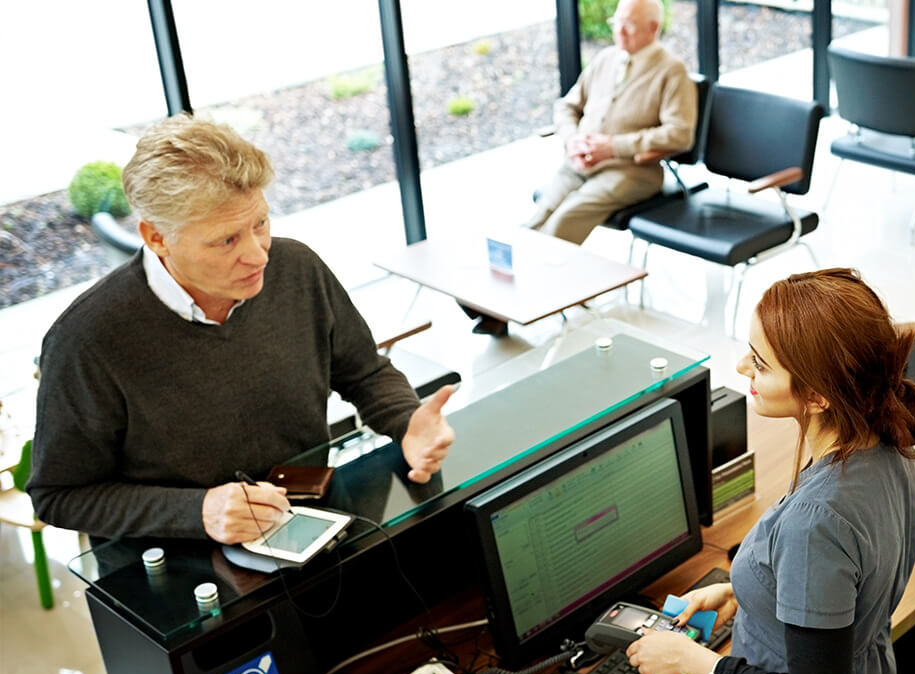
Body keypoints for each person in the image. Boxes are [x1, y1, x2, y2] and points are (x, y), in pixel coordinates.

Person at [28, 115, 456, 544]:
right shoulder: (86, 341)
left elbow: (363, 371)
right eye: (227, 240)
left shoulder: (297, 269)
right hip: (180, 577)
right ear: (157, 237)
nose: (259, 256)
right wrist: (198, 512)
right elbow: (60, 496)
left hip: (313, 526)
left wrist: (406, 420)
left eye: (260, 224)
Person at [626, 269, 915, 674]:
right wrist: (747, 591)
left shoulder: (816, 522)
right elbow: (843, 586)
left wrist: (691, 662)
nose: (742, 368)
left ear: (818, 396)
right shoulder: (889, 448)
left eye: (761, 363)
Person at [524, 0, 697, 246]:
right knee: (536, 219)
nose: (620, 31)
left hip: (631, 172)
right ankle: (522, 278)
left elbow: (680, 133)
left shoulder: (672, 71)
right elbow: (566, 106)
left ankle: (545, 279)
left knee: (563, 221)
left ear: (653, 27)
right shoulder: (606, 58)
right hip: (579, 164)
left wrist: (614, 146)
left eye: (630, 25)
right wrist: (572, 139)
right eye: (617, 22)